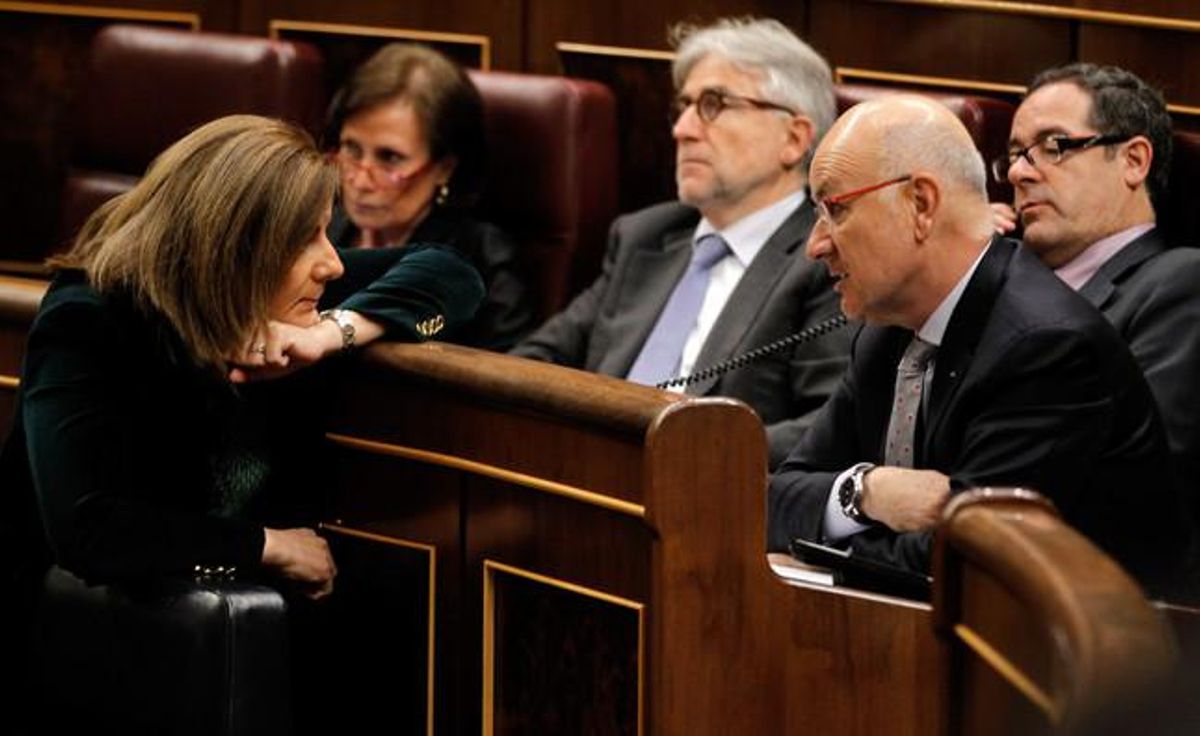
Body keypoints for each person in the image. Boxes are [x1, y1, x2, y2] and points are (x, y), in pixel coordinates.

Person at [2, 114, 483, 603]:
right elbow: (90, 530)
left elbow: (453, 274)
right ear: (233, 248)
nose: (332, 263)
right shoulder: (89, 319)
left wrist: (331, 334)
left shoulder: (279, 291)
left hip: (227, 632)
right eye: (306, 239)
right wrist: (266, 546)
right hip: (73, 639)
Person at [767, 95, 1190, 594]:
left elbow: (953, 563)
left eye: (835, 209)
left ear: (920, 204)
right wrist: (865, 492)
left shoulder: (1046, 346)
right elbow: (776, 500)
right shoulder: (887, 330)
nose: (817, 244)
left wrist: (819, 540)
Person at [512, 17, 849, 468]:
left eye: (713, 104)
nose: (683, 129)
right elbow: (535, 362)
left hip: (705, 503)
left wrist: (682, 458)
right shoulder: (643, 238)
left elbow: (830, 426)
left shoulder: (825, 259)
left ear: (793, 139)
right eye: (685, 106)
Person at [991, 64, 1200, 556]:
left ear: (1133, 160)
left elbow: (1145, 482)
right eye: (1016, 154)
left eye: (1054, 146)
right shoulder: (998, 282)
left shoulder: (1180, 284)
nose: (1020, 172)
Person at [325, 42, 534, 350]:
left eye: (390, 158)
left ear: (444, 168)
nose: (360, 179)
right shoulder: (319, 228)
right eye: (352, 150)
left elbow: (508, 383)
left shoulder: (485, 262)